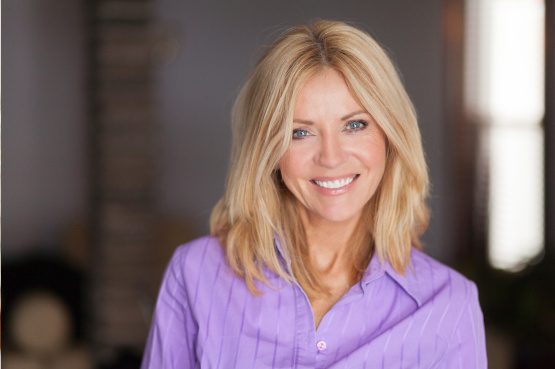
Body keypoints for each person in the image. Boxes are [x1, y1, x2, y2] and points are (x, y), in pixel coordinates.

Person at [141, 20, 487, 369]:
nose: (331, 157)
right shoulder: (195, 275)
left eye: (355, 125)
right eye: (300, 133)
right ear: (268, 150)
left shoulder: (450, 306)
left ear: (390, 135)